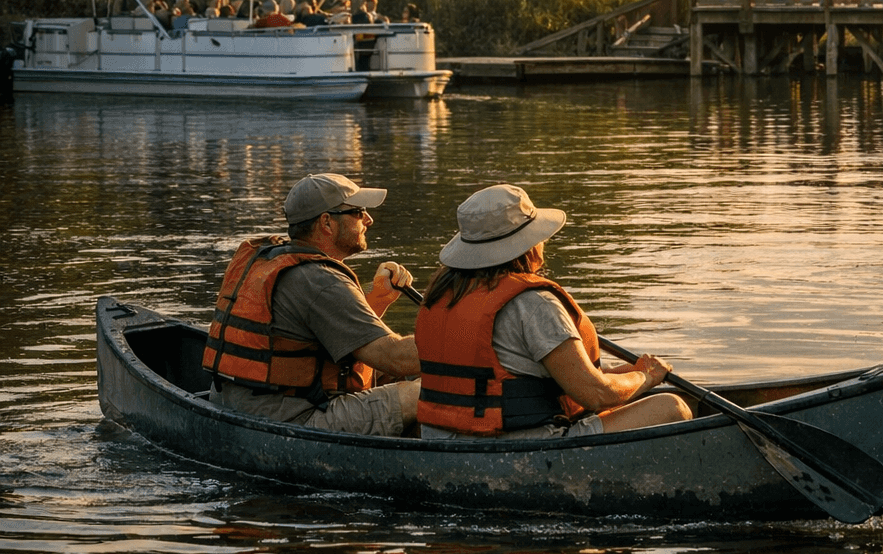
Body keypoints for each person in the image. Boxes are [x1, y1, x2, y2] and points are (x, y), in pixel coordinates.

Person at [413, 184, 692, 440]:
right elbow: (597, 394)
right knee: (672, 407)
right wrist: (647, 377)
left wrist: (629, 372)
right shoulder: (536, 304)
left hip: (443, 440)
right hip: (518, 446)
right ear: (528, 247)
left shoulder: (442, 294)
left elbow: (548, 374)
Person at [203, 173, 421, 436]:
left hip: (237, 404)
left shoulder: (273, 258)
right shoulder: (321, 281)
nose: (369, 220)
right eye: (358, 212)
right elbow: (395, 358)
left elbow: (323, 339)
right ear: (327, 222)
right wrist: (469, 349)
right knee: (421, 393)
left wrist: (378, 300)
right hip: (290, 419)